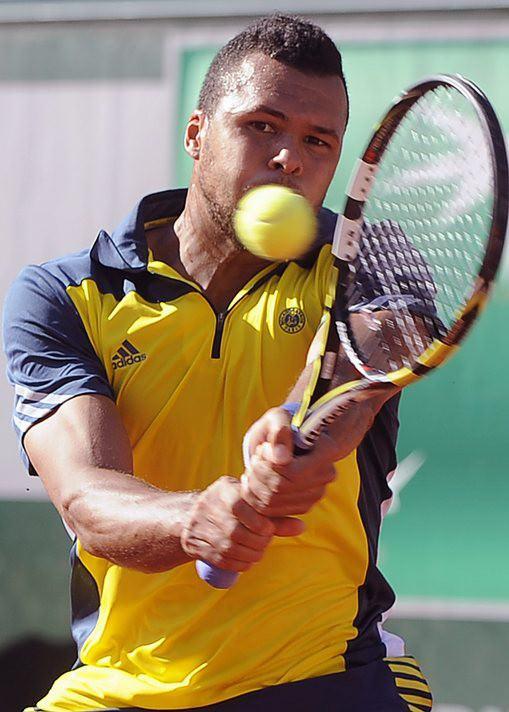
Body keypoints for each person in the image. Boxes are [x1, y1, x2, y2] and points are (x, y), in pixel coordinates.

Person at [4, 14, 433, 712]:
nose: (289, 158)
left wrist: (300, 427)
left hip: (322, 675)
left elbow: (363, 371)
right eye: (262, 125)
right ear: (196, 134)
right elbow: (87, 499)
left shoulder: (369, 260)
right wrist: (193, 518)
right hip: (117, 686)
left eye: (317, 141)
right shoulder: (65, 294)